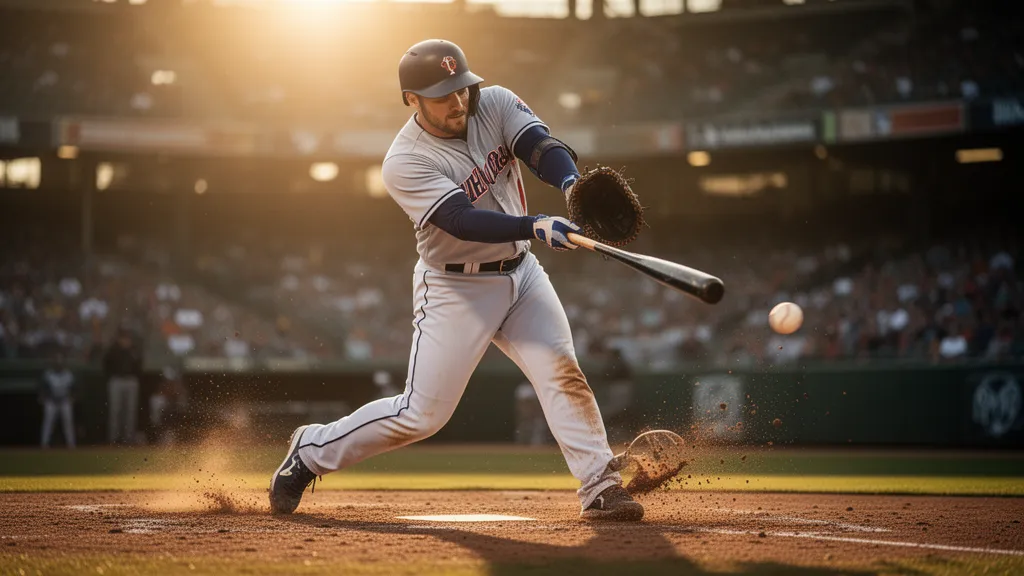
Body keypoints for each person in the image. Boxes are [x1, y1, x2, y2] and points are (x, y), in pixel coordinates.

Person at [270, 39, 643, 521]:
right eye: (443, 94)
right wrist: (534, 224)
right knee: (421, 415)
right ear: (412, 99)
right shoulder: (403, 161)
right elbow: (462, 221)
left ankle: (600, 486)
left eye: (462, 88)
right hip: (455, 288)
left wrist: (571, 184)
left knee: (561, 371)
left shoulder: (496, 102)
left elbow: (541, 147)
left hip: (522, 274)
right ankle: (311, 450)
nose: (458, 101)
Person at [104, 328, 142, 444]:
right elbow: (106, 365)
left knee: (130, 411)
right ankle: (113, 439)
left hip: (131, 380)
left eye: (127, 338)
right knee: (115, 410)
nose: (125, 340)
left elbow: (139, 366)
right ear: (119, 339)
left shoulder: (134, 350)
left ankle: (128, 439)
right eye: (123, 338)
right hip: (117, 380)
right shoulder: (113, 350)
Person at [38, 352, 76, 448]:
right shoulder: (48, 374)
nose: (59, 364)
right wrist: (44, 397)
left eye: (60, 362)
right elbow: (43, 388)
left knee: (68, 422)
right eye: (57, 362)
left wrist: (72, 397)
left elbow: (74, 388)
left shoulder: (68, 374)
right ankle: (44, 443)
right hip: (52, 401)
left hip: (64, 400)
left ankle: (71, 444)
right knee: (48, 422)